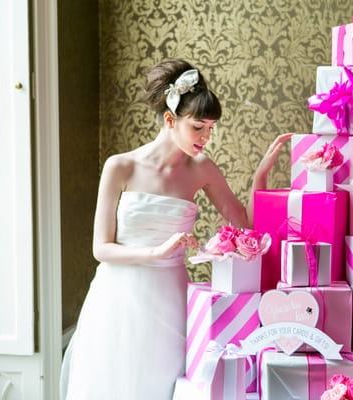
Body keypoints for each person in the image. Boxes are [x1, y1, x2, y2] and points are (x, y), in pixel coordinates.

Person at [59, 58, 292, 399]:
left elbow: (244, 224)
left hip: (171, 294)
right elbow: (101, 248)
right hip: (117, 295)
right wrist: (155, 251)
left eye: (211, 128)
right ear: (170, 120)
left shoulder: (201, 169)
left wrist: (260, 178)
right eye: (198, 127)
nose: (206, 137)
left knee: (165, 380)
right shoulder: (120, 166)